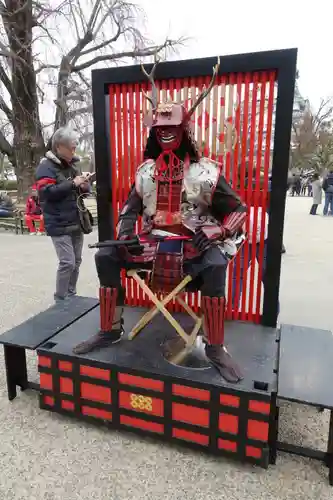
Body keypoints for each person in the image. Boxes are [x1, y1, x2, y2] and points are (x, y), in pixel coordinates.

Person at [73, 58, 248, 384]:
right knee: (105, 255)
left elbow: (239, 209)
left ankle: (215, 346)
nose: (166, 134)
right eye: (161, 129)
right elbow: (130, 208)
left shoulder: (208, 171)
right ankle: (110, 329)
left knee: (215, 264)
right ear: (154, 132)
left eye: (172, 129)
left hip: (194, 241)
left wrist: (219, 230)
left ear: (185, 132)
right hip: (153, 240)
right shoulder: (145, 172)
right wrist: (126, 232)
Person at [35, 127, 91, 302]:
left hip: (76, 219)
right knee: (68, 262)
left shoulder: (74, 164)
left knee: (77, 260)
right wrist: (73, 183)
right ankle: (60, 298)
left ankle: (70, 294)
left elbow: (83, 190)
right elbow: (46, 192)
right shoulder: (46, 166)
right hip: (58, 222)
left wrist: (84, 185)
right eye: (71, 147)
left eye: (75, 147)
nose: (74, 150)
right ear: (59, 147)